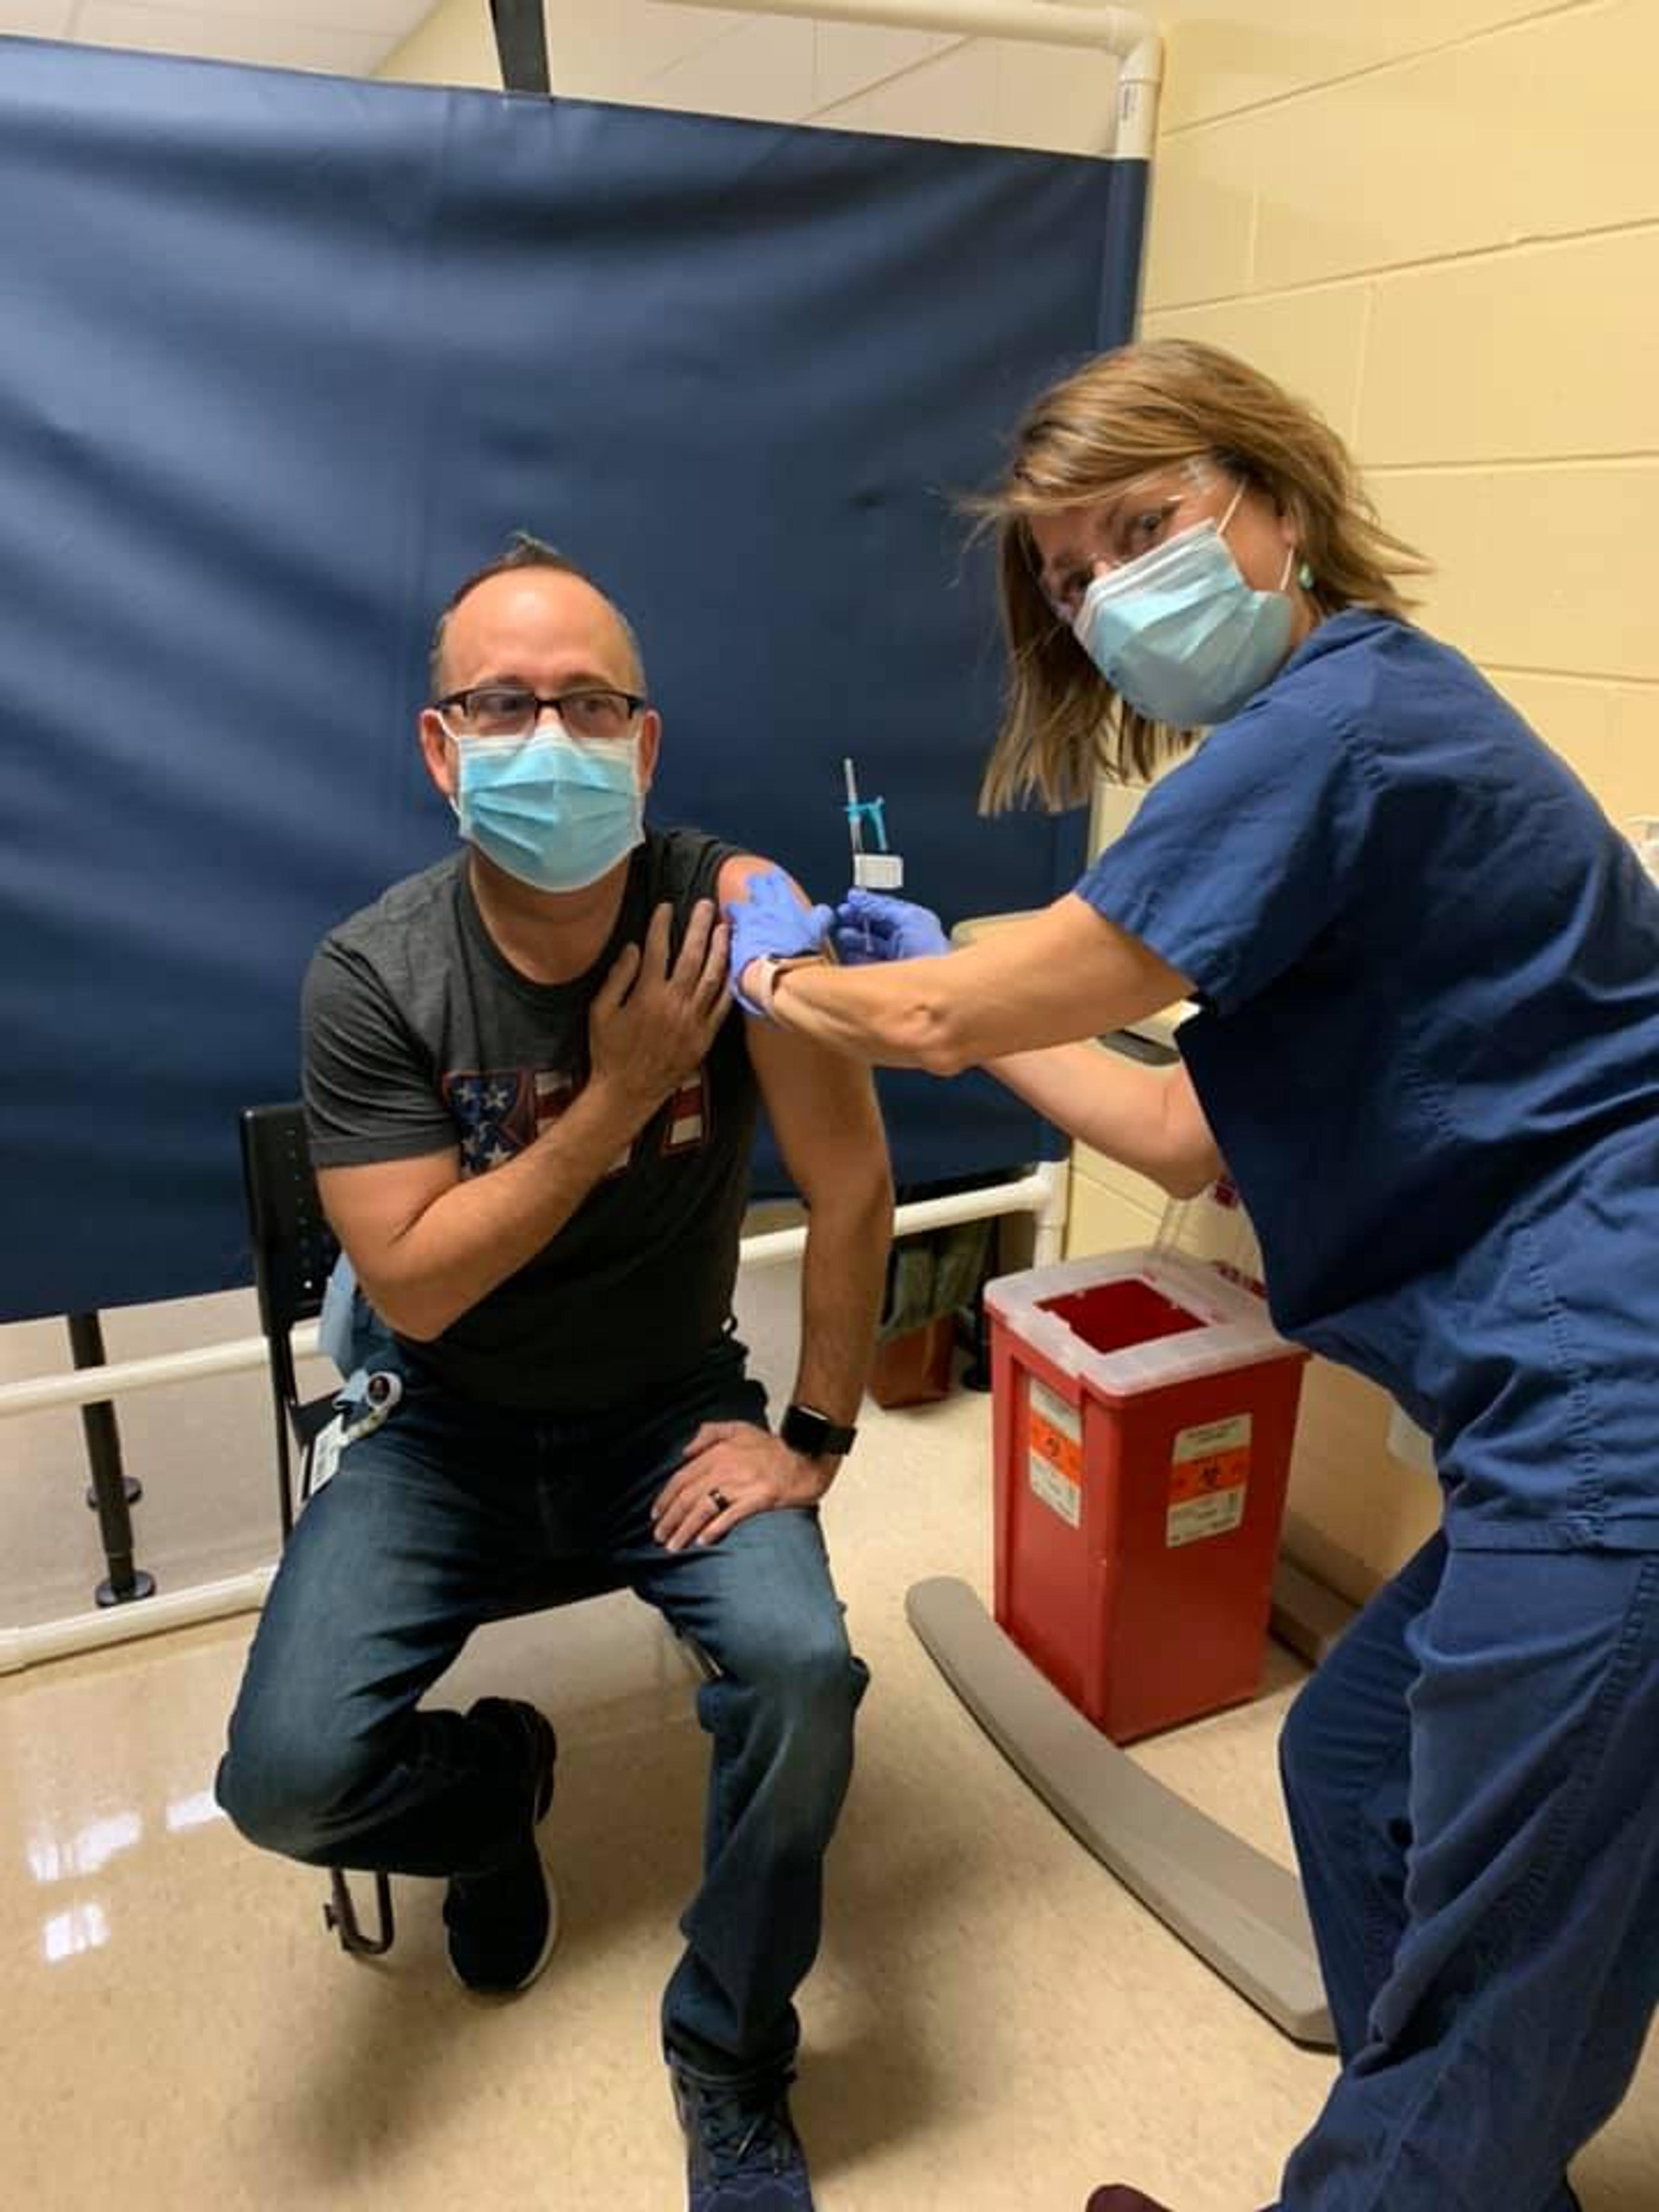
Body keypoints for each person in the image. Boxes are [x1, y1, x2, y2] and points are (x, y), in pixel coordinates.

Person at [721, 340, 1659, 2212]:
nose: (1108, 597)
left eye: (1142, 530)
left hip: (1616, 1400)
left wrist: (782, 966)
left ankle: (1423, 2166)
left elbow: (930, 1017)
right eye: (1072, 580)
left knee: (1492, 2007)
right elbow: (1170, 1133)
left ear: (1278, 506)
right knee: (1356, 1764)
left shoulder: (1344, 722)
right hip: (1555, 1389)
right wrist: (954, 982)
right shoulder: (1328, 751)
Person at [215, 536, 893, 2212]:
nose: (550, 736)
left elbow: (855, 1180)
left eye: (591, 704)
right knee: (284, 1779)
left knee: (804, 1673)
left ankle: (729, 2053)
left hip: (668, 1410)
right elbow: (416, 1282)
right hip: (441, 1423)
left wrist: (813, 1431)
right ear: (440, 747)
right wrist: (616, 1099)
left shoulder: (732, 918)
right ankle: (492, 1796)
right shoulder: (376, 975)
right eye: (504, 704)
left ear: (645, 744)